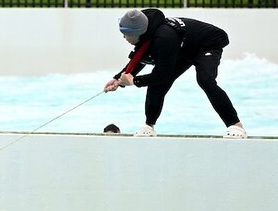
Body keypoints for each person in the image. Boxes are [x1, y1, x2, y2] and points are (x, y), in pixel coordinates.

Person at [103, 9, 246, 139]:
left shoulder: (163, 38)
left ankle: (236, 126)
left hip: (207, 44)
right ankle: (149, 126)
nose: (123, 37)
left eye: (125, 33)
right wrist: (117, 79)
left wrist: (134, 81)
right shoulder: (145, 29)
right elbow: (140, 58)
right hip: (183, 48)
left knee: (205, 80)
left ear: (137, 32)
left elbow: (162, 75)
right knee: (157, 85)